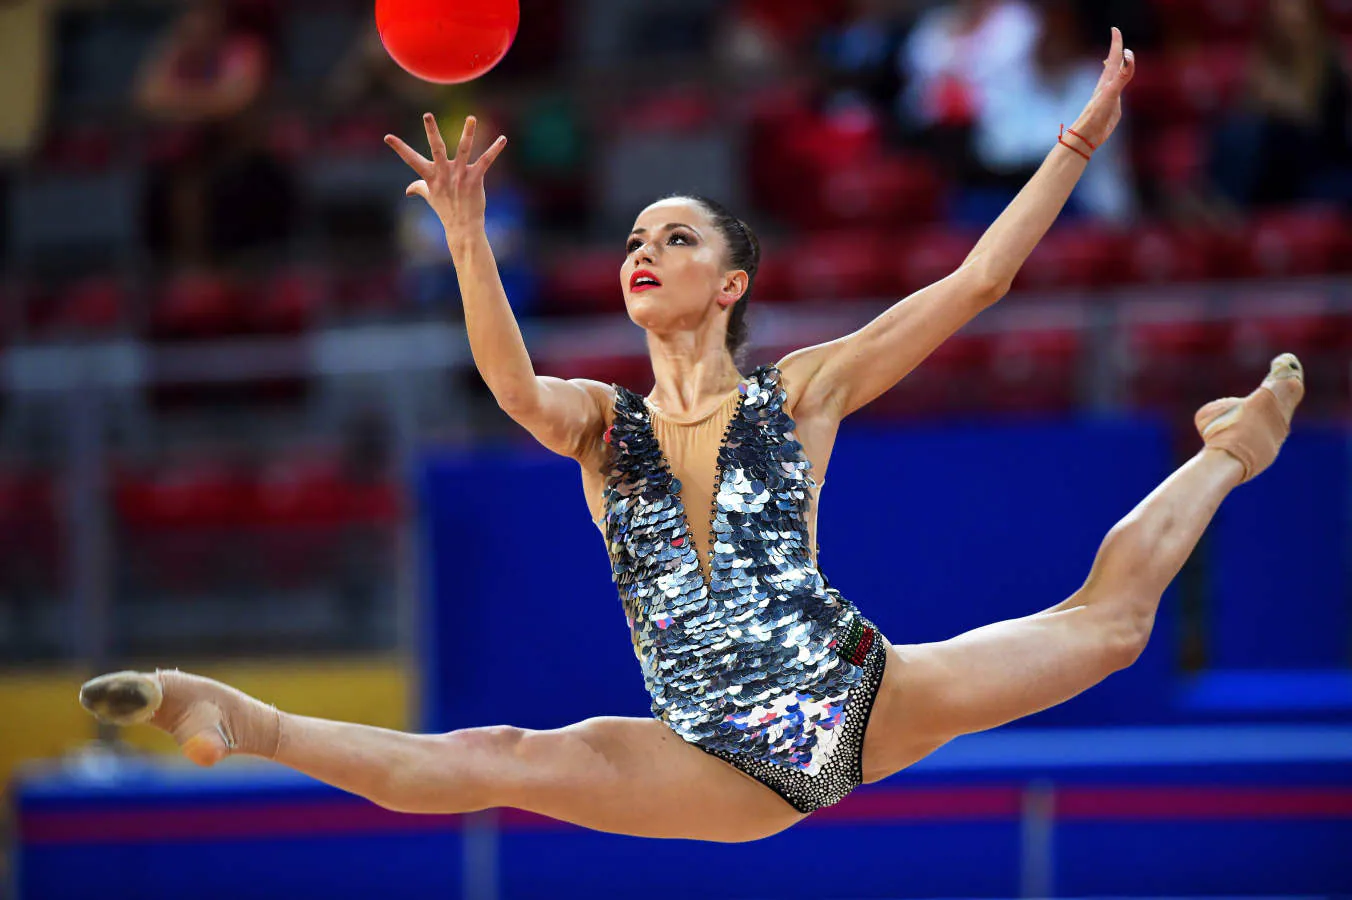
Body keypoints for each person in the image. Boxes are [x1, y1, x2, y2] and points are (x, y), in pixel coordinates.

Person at [81, 31, 1306, 842]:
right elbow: (510, 386)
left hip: (855, 693)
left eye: (677, 238)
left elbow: (977, 282)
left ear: (730, 285)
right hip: (708, 761)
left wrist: (1077, 141)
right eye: (632, 241)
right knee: (491, 755)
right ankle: (234, 715)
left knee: (1109, 627)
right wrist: (466, 234)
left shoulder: (801, 394)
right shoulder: (600, 428)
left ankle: (1227, 449)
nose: (644, 252)